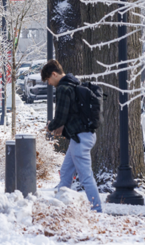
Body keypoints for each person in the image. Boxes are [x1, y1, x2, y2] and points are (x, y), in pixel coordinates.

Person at [42, 59, 102, 212]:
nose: (49, 84)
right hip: (81, 137)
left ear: (54, 74)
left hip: (80, 138)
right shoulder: (74, 83)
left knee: (86, 177)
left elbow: (61, 116)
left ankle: (97, 210)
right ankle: (59, 207)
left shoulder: (63, 88)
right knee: (66, 172)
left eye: (48, 80)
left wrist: (51, 126)